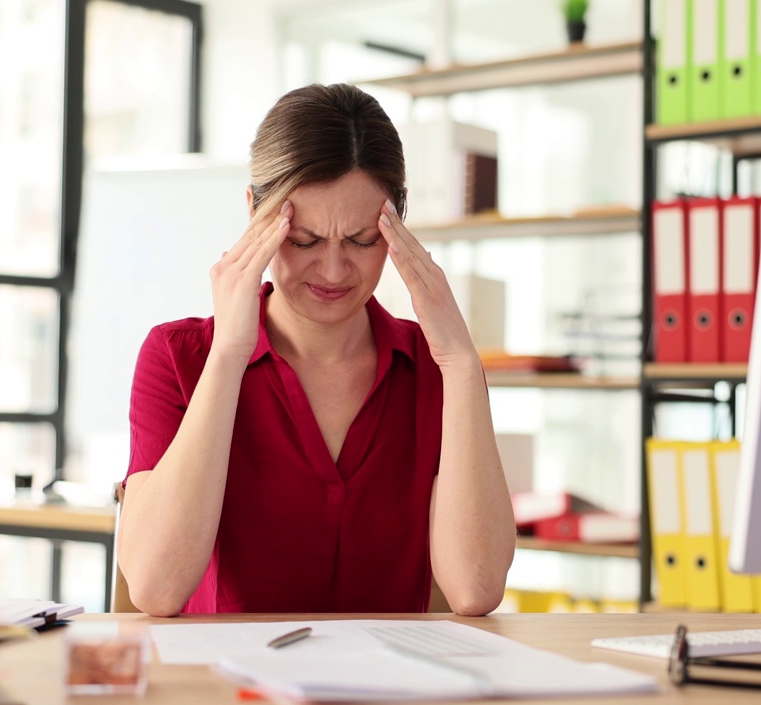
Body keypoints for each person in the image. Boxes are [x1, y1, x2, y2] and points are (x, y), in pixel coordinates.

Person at [117, 83, 516, 617]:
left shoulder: (436, 369)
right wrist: (231, 353)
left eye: (361, 240)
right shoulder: (179, 356)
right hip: (221, 695)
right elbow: (156, 588)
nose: (332, 271)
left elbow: (476, 589)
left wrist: (464, 365)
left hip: (390, 694)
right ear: (255, 214)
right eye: (303, 240)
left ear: (397, 224)